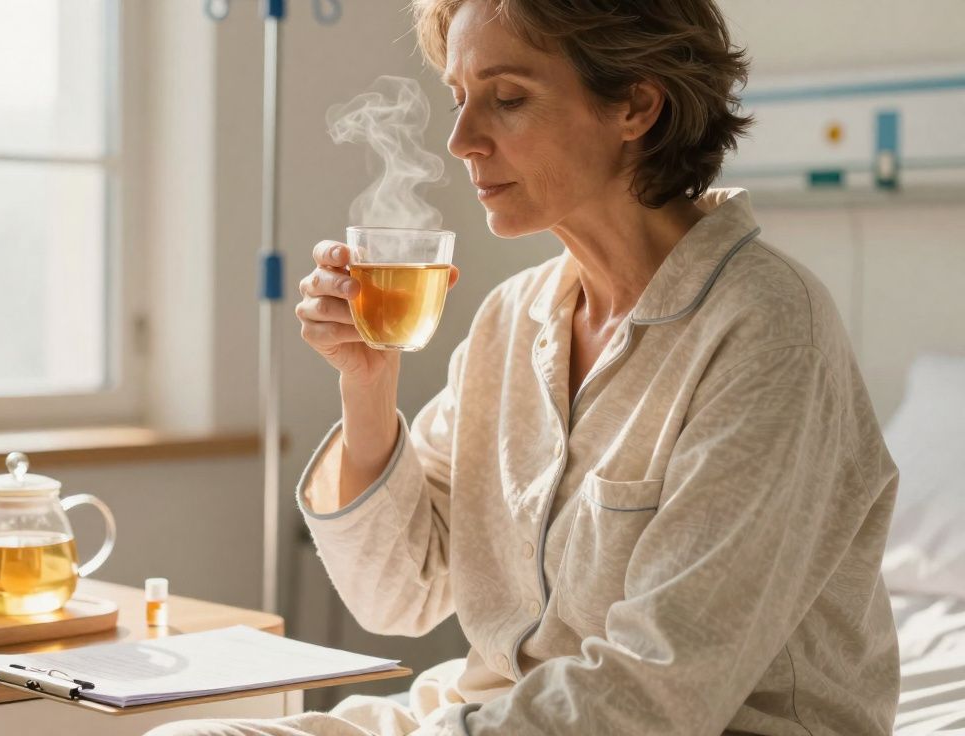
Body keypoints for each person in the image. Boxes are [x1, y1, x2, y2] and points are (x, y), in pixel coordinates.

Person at [149, 0, 899, 733]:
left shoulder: (767, 329)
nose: (461, 140)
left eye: (506, 99)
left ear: (635, 105)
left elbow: (658, 692)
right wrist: (367, 383)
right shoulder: (512, 318)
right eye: (458, 99)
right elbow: (396, 595)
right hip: (487, 715)